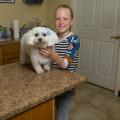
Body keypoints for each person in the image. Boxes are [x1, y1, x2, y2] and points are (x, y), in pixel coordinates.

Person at [39, 4, 80, 120]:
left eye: (65, 19)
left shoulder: (74, 40)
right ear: (54, 20)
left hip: (67, 89)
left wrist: (52, 54)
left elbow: (65, 65)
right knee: (53, 112)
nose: (61, 22)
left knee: (61, 116)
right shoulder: (52, 37)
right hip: (53, 85)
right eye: (58, 18)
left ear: (72, 21)